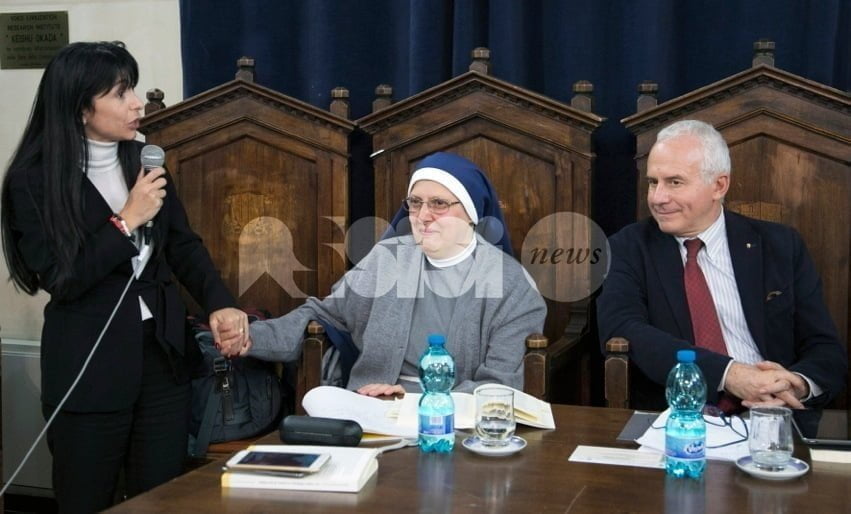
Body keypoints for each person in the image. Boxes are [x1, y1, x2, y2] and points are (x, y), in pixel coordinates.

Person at [0, 41, 248, 512]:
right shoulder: (32, 180)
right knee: (86, 497)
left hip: (162, 358)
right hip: (88, 364)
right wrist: (126, 220)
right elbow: (62, 278)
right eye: (120, 93)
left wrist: (221, 302)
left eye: (132, 89)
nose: (136, 103)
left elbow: (183, 245)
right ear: (80, 108)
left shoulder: (143, 160)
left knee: (161, 497)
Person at [225, 152, 546, 396]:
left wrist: (416, 401)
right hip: (370, 409)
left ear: (472, 213)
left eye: (438, 204)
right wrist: (248, 337)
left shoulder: (512, 285)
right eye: (415, 203)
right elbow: (322, 315)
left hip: (457, 425)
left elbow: (499, 387)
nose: (423, 216)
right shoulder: (389, 259)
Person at [596, 119, 846, 414]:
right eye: (653, 182)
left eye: (675, 182)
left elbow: (824, 347)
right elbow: (622, 328)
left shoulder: (780, 245)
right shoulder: (627, 247)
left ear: (719, 185)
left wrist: (797, 385)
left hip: (776, 413)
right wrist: (730, 375)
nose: (658, 198)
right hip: (678, 416)